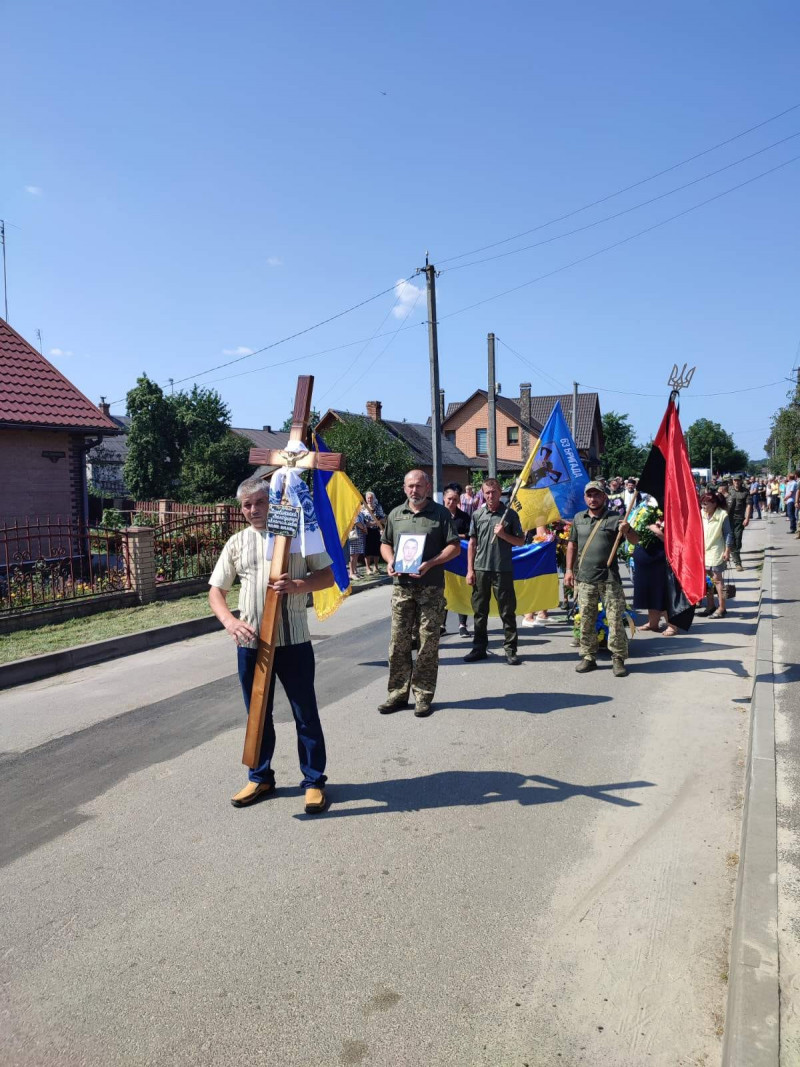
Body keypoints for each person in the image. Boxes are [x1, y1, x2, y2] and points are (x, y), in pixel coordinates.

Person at [208, 477, 334, 813]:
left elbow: (327, 576)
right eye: (246, 505)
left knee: (304, 713)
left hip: (293, 641)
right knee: (257, 714)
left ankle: (314, 781)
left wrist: (297, 584)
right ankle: (260, 776)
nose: (253, 510)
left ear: (272, 502)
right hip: (252, 645)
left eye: (259, 502)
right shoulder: (237, 543)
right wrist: (230, 622)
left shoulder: (299, 535)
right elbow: (216, 591)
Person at [379, 470, 461, 717]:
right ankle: (396, 694)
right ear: (404, 488)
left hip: (431, 589)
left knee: (427, 643)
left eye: (418, 486)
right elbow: (385, 543)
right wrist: (391, 560)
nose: (414, 491)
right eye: (410, 486)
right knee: (398, 643)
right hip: (402, 588)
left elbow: (454, 547)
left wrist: (431, 563)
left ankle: (423, 695)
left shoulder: (441, 514)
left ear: (427, 487)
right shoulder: (396, 514)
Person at [564, 481, 635, 677]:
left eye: (597, 495)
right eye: (590, 495)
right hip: (585, 578)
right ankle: (588, 657)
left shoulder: (615, 519)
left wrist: (628, 530)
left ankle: (618, 658)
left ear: (604, 497)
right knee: (586, 619)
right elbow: (572, 546)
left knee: (614, 620)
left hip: (609, 578)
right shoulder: (579, 518)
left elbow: (636, 541)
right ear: (585, 498)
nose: (593, 499)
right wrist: (569, 570)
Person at [464, 477, 526, 665]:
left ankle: (510, 649)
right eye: (487, 492)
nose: (491, 496)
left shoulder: (510, 515)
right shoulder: (477, 515)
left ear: (500, 493)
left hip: (502, 569)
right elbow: (472, 544)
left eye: (494, 492)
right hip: (481, 568)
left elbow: (521, 541)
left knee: (507, 611)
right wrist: (470, 570)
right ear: (482, 493)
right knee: (479, 612)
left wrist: (503, 534)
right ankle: (479, 648)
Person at [629, 503, 676, 635]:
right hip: (645, 560)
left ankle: (671, 625)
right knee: (649, 592)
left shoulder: (671, 515)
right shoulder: (642, 512)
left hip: (660, 561)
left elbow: (674, 541)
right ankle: (653, 622)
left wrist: (656, 531)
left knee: (662, 593)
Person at [698, 490, 733, 618]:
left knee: (718, 581)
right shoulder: (701, 513)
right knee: (708, 581)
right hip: (704, 551)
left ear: (714, 504)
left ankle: (722, 607)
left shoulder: (722, 515)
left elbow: (728, 534)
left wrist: (727, 550)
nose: (703, 507)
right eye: (702, 504)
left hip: (717, 551)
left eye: (706, 504)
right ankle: (710, 606)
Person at [444, 486, 471, 637]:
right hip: (443, 559)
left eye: (455, 500)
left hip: (460, 558)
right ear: (444, 499)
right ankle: (442, 624)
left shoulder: (464, 517)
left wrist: (457, 536)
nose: (452, 502)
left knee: (461, 591)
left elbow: (471, 535)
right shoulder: (438, 515)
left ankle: (462, 625)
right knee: (444, 591)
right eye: (449, 499)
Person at [726, 474, 752, 572]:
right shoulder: (728, 490)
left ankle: (735, 559)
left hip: (739, 519)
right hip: (727, 519)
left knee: (737, 540)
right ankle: (737, 563)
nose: (736, 482)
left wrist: (747, 518)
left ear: (741, 481)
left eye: (738, 480)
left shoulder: (745, 492)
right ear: (732, 481)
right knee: (729, 539)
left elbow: (749, 505)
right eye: (734, 480)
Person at [363, 490, 385, 574]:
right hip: (366, 531)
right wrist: (372, 523)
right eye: (368, 498)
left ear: (374, 498)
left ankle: (376, 567)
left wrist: (374, 523)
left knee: (376, 548)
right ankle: (368, 568)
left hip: (376, 530)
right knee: (367, 549)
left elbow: (383, 518)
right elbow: (363, 521)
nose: (369, 499)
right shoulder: (363, 508)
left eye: (371, 498)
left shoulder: (378, 507)